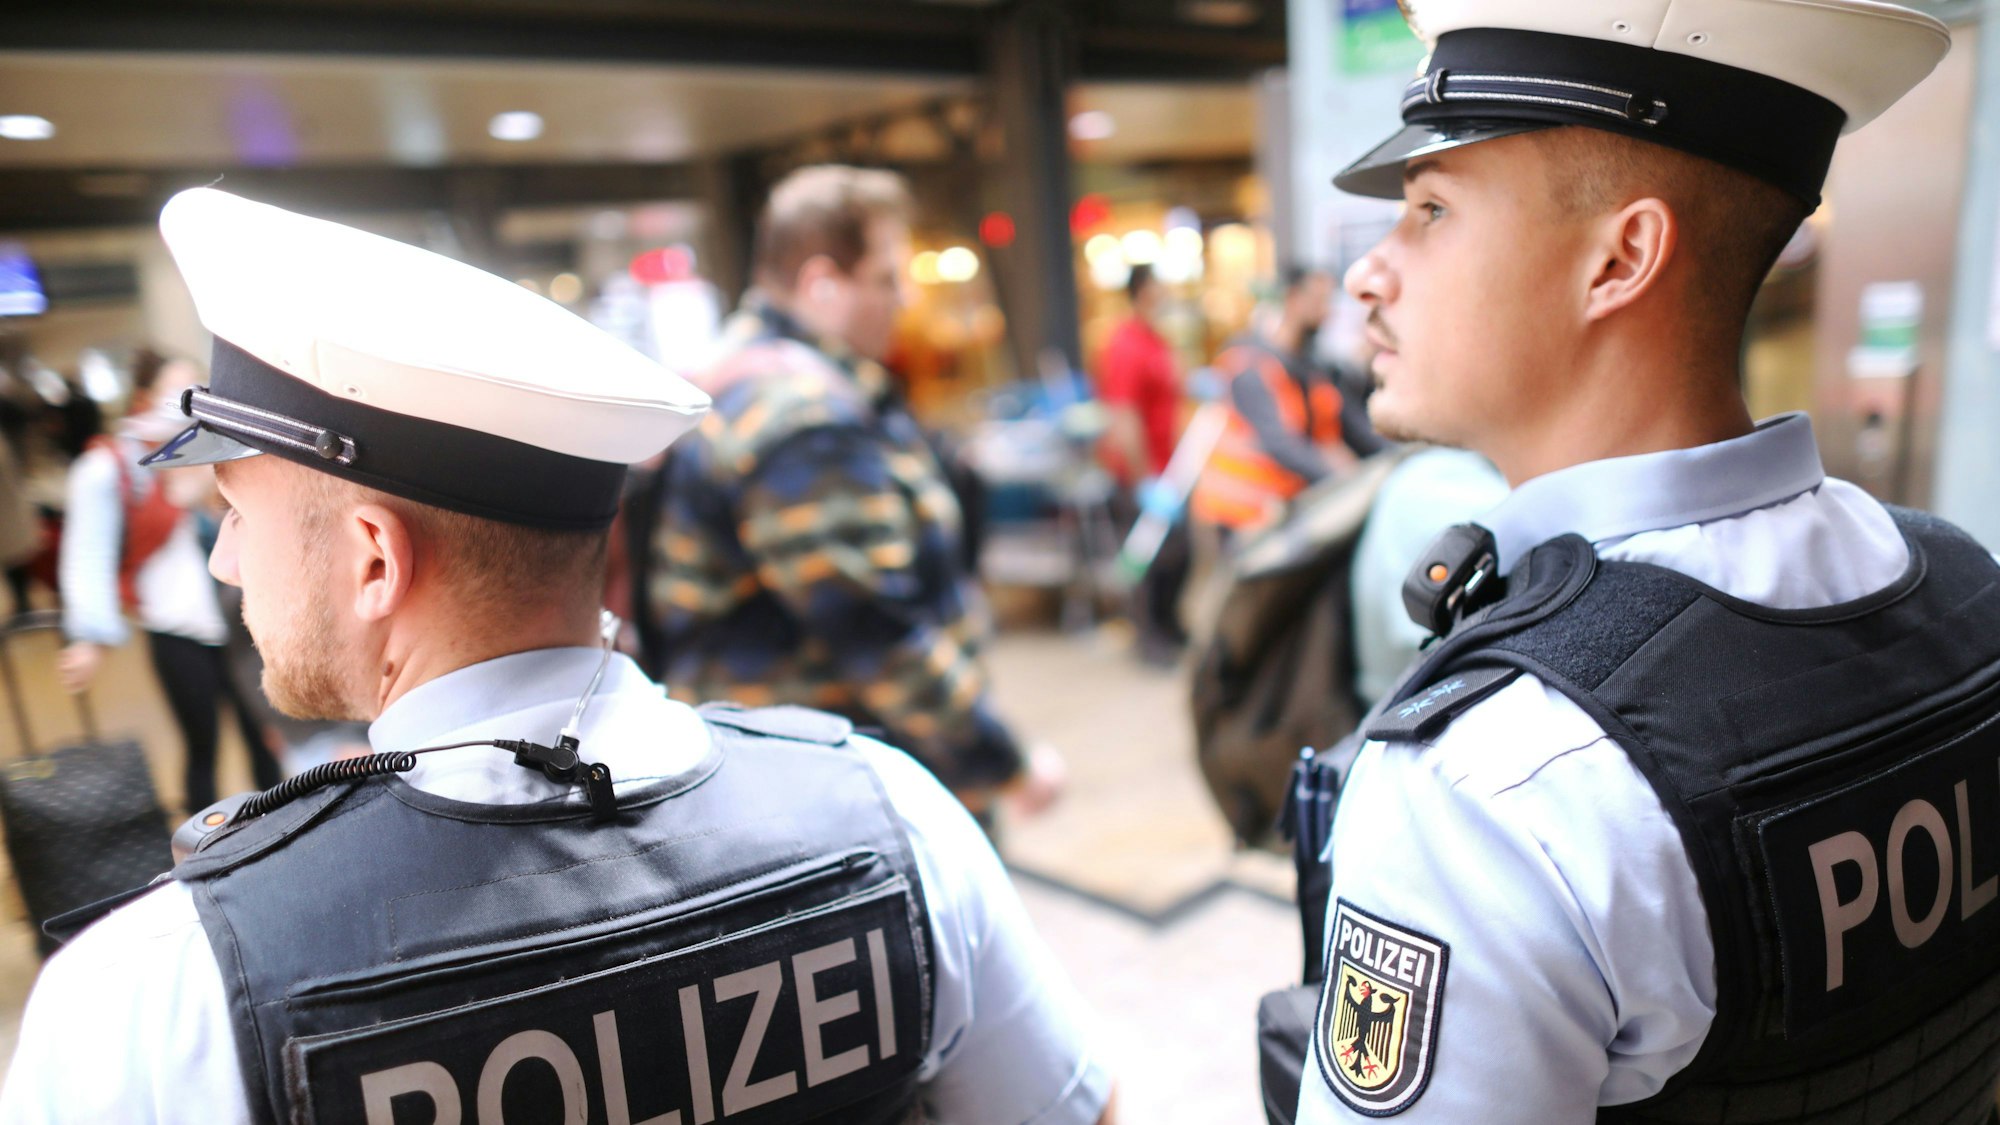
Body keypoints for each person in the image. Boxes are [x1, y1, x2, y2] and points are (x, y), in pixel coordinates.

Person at [0, 188, 1115, 1125]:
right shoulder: (894, 821)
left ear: (374, 559)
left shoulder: (164, 991)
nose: (228, 561)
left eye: (236, 512)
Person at [1279, 1, 1999, 1121]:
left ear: (1619, 258)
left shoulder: (1490, 789)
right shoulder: (1962, 588)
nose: (1366, 275)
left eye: (1429, 210)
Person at [646, 165, 1062, 820]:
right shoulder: (801, 417)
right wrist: (1000, 759)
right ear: (821, 283)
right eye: (886, 277)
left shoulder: (743, 365)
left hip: (796, 774)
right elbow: (874, 628)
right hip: (841, 792)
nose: (902, 299)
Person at [54, 348, 282, 810]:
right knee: (203, 748)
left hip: (247, 621)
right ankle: (201, 857)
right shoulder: (117, 466)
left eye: (198, 387)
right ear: (145, 396)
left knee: (266, 739)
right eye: (174, 391)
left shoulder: (233, 447)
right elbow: (90, 549)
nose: (189, 400)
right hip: (177, 629)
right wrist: (89, 635)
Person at [1191, 266, 1386, 535]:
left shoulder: (1311, 366)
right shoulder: (1251, 364)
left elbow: (1349, 421)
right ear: (1294, 298)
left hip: (1282, 509)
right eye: (1319, 300)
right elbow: (1280, 443)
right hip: (1241, 512)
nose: (1327, 312)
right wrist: (1346, 479)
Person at [1096, 263, 1192, 663]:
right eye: (1158, 287)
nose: (1165, 294)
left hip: (1172, 470)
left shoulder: (1158, 341)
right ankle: (1148, 638)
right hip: (1142, 474)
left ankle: (1170, 626)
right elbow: (1123, 416)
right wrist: (1142, 479)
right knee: (1149, 561)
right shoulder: (1125, 345)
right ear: (1141, 291)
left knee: (1181, 555)